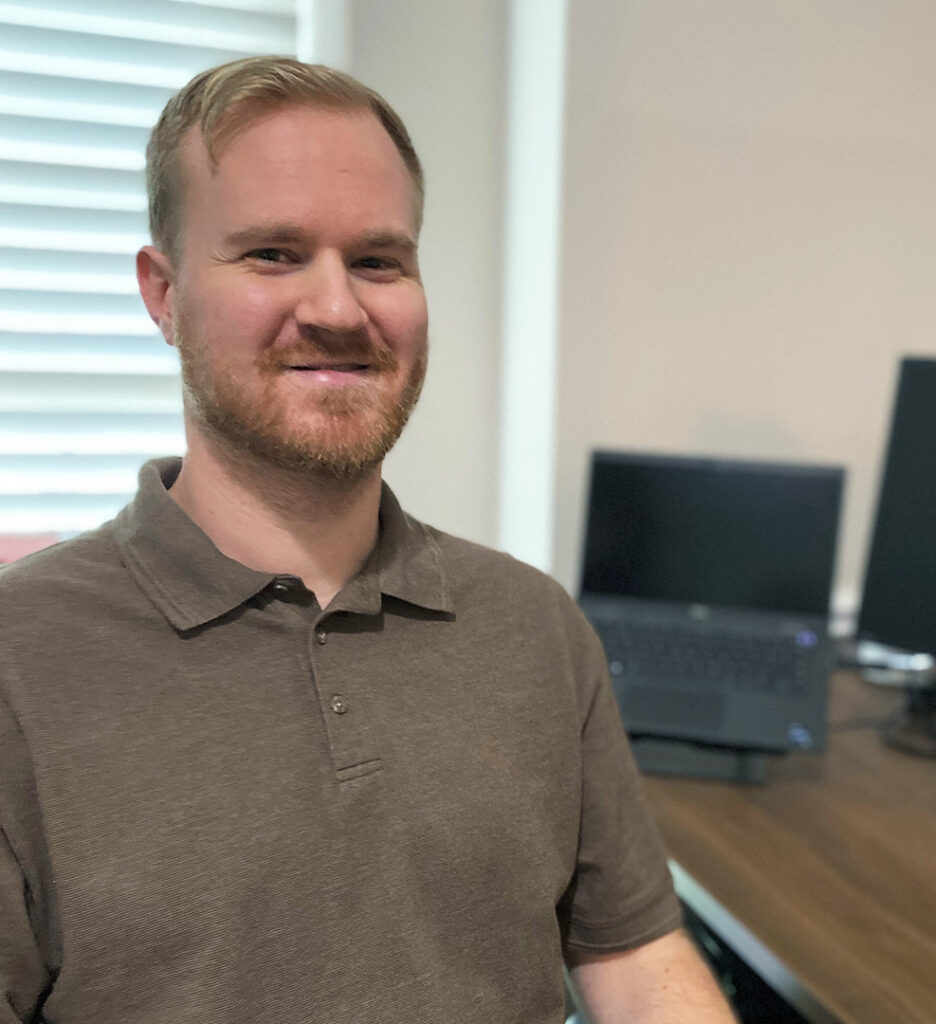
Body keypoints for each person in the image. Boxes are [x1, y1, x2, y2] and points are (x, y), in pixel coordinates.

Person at [0, 57, 735, 1024]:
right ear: (164, 294)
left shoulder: (534, 626)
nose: (338, 309)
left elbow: (634, 957)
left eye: (379, 261)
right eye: (273, 254)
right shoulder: (21, 659)